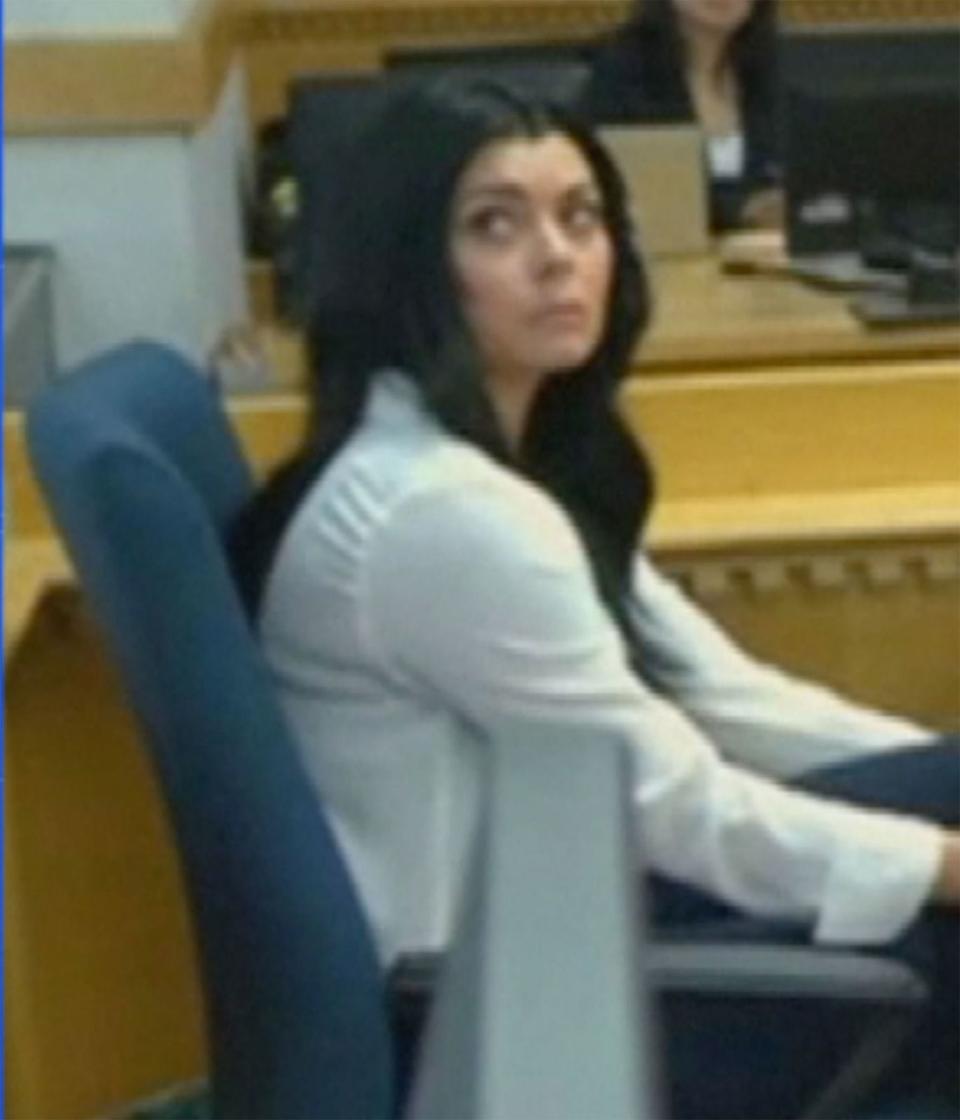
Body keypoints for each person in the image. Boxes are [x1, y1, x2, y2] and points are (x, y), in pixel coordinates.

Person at [229, 77, 959, 1117]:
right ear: (407, 264)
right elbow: (683, 806)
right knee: (937, 932)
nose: (557, 256)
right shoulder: (446, 512)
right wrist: (939, 862)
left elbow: (724, 696)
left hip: (555, 914)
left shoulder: (512, 463)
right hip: (484, 1025)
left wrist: (933, 785)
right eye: (496, 224)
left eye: (581, 217)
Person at [581, 0, 784, 231]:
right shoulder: (622, 73)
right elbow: (606, 190)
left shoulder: (776, 71)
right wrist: (741, 211)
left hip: (765, 259)